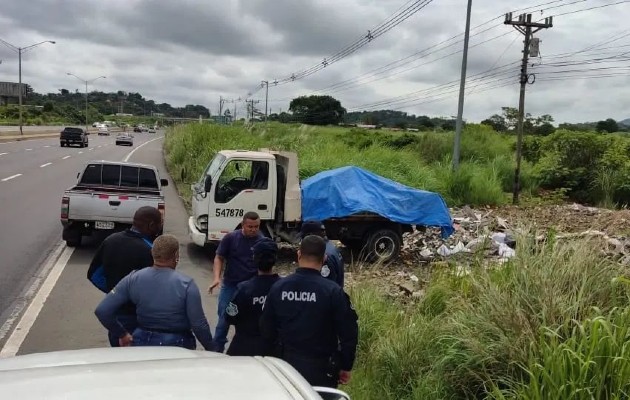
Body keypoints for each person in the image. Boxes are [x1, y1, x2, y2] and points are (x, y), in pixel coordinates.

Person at [260, 235, 359, 388]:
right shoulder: (333, 292)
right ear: (324, 258)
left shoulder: (279, 288)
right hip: (321, 369)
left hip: (285, 367)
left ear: (298, 254)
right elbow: (349, 333)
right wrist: (345, 365)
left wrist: (271, 359)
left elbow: (266, 328)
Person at [94, 234, 214, 350]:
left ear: (153, 253)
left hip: (141, 341)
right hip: (177, 344)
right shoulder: (186, 284)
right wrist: (212, 350)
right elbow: (199, 325)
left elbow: (103, 310)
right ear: (176, 255)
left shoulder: (133, 278)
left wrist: (122, 334)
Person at [87, 206, 163, 347]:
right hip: (139, 319)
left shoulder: (110, 240)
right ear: (152, 225)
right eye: (160, 224)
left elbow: (93, 275)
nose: (160, 227)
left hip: (116, 319)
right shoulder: (150, 251)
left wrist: (115, 292)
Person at [208, 211, 264, 353]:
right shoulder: (231, 238)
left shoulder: (261, 241)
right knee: (223, 321)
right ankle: (215, 352)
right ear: (243, 225)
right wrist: (216, 278)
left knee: (249, 322)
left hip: (250, 289)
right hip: (231, 286)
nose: (253, 230)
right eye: (250, 226)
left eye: (256, 226)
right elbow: (219, 257)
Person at [224, 237, 281, 356]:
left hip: (244, 348)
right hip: (274, 350)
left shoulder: (244, 289)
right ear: (275, 259)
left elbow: (230, 316)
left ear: (254, 258)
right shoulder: (283, 287)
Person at [300, 221, 344, 288]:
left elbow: (325, 286)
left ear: (309, 235)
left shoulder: (323, 254)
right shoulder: (331, 246)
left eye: (303, 237)